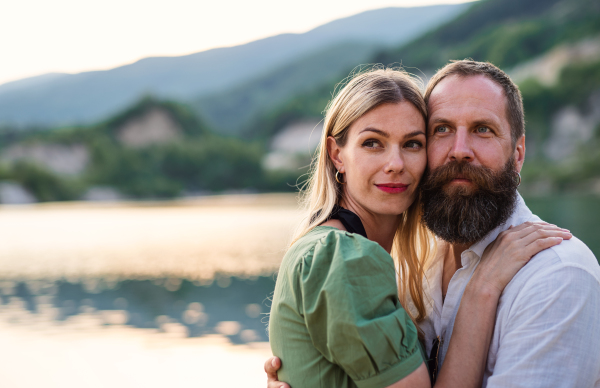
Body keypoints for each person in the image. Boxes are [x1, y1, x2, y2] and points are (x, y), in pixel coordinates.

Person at [266, 61, 600, 388]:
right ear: (337, 155)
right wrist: (480, 293)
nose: (459, 151)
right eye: (442, 130)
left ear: (518, 153)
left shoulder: (557, 275)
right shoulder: (384, 266)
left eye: (483, 129)